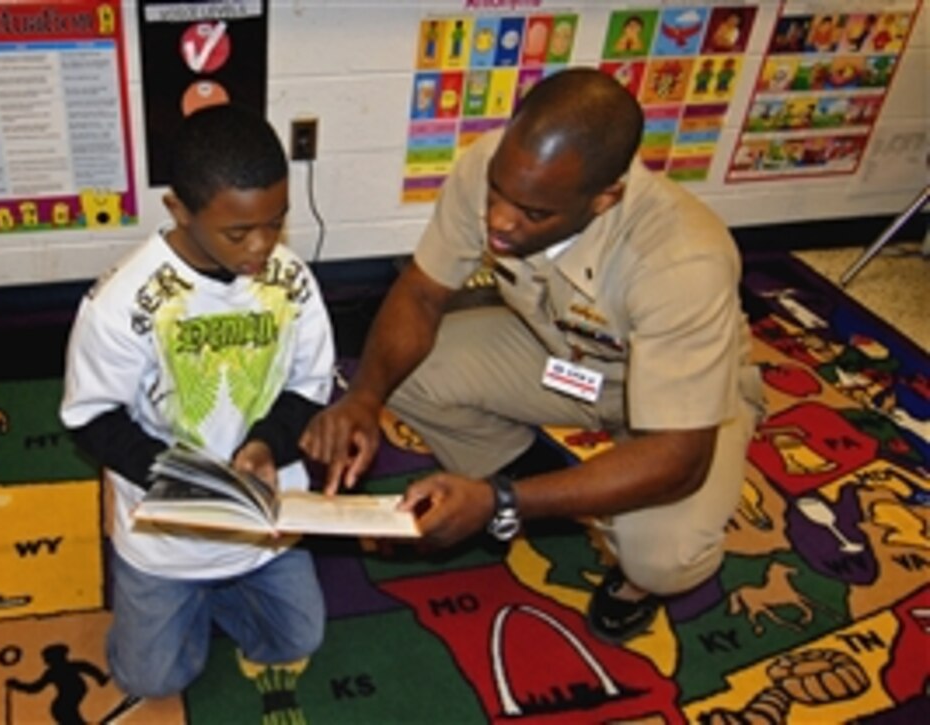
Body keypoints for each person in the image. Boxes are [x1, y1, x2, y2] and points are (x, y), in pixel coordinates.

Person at [300, 68, 763, 643]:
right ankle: (532, 480)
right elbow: (420, 293)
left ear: (603, 199)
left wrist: (501, 502)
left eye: (533, 213)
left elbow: (680, 457)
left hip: (680, 410)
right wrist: (365, 399)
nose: (499, 220)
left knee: (661, 558)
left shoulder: (682, 257)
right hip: (565, 358)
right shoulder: (495, 165)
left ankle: (556, 519)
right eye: (498, 193)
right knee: (413, 376)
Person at [60, 104, 335, 714]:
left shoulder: (289, 281)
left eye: (276, 220)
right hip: (165, 532)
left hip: (264, 521)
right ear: (179, 211)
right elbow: (91, 418)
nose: (263, 245)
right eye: (239, 232)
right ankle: (178, 592)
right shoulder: (121, 303)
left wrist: (266, 446)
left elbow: (309, 387)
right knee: (151, 676)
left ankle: (221, 592)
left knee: (297, 638)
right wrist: (183, 481)